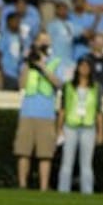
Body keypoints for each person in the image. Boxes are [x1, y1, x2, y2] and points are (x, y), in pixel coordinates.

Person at [14, 32, 64, 192]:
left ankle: (43, 187)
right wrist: (29, 63)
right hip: (27, 112)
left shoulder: (55, 61)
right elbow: (21, 84)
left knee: (45, 154)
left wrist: (42, 66)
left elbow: (58, 83)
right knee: (23, 151)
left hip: (46, 114)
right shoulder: (28, 63)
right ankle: (22, 185)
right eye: (40, 40)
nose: (43, 43)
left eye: (45, 40)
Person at [56, 57, 103, 194]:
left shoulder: (96, 87)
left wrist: (101, 132)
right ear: (77, 68)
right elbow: (63, 109)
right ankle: (63, 191)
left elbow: (98, 111)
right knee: (67, 162)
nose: (84, 69)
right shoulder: (68, 86)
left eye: (87, 66)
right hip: (70, 126)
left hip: (88, 128)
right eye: (82, 66)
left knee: (86, 164)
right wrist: (59, 129)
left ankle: (87, 192)